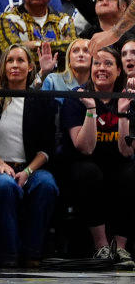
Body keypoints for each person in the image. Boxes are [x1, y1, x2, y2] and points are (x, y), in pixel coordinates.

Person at [0, 43, 58, 268]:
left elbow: (47, 148)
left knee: (47, 185)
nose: (15, 65)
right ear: (3, 67)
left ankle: (33, 253)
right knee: (5, 186)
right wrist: (0, 164)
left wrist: (28, 171)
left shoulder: (40, 100)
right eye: (10, 60)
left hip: (31, 168)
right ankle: (9, 254)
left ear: (30, 66)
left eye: (20, 60)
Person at [60, 46, 135, 265]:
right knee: (88, 171)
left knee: (132, 172)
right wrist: (91, 110)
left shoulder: (128, 97)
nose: (101, 68)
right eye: (97, 64)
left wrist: (122, 111)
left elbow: (126, 150)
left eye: (108, 64)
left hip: (118, 163)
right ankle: (101, 246)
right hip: (86, 165)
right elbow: (85, 148)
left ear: (119, 70)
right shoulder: (78, 97)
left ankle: (121, 248)